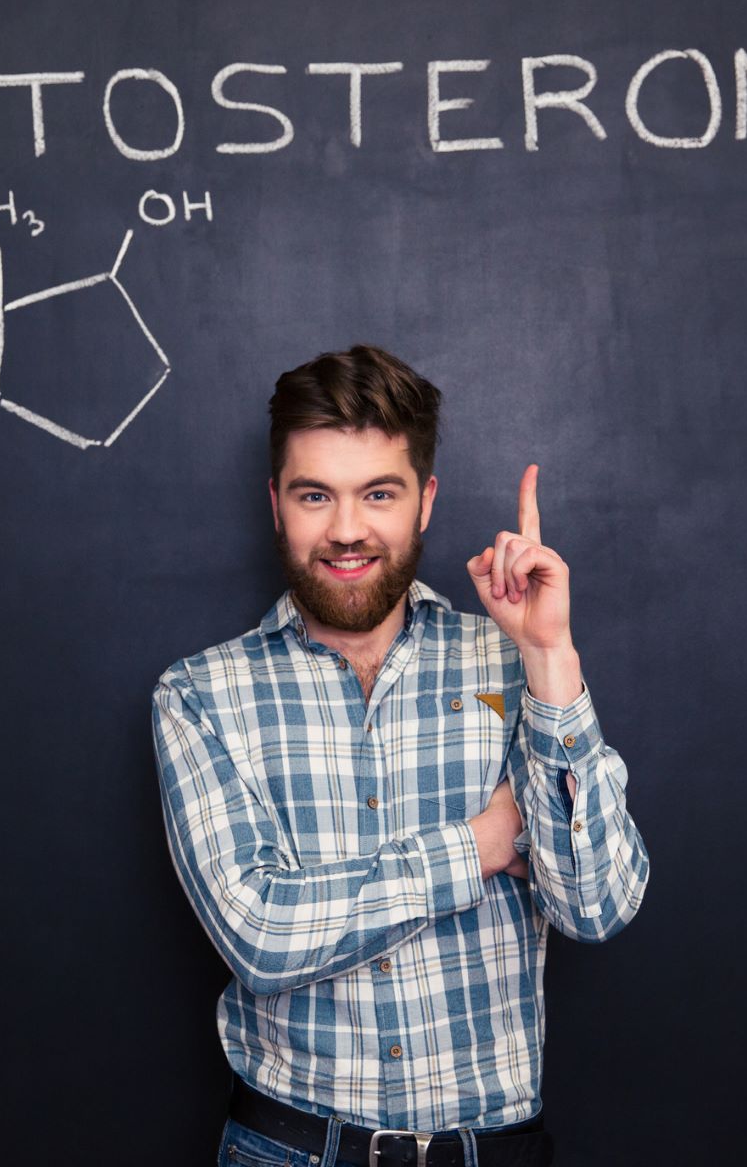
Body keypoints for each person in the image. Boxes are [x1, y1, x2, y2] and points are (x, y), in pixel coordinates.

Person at [151, 345, 649, 1167]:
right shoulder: (202, 695)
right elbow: (260, 933)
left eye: (379, 494)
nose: (347, 530)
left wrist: (550, 658)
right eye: (316, 495)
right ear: (276, 503)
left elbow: (596, 904)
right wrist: (480, 845)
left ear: (426, 502)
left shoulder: (510, 662)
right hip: (288, 1150)